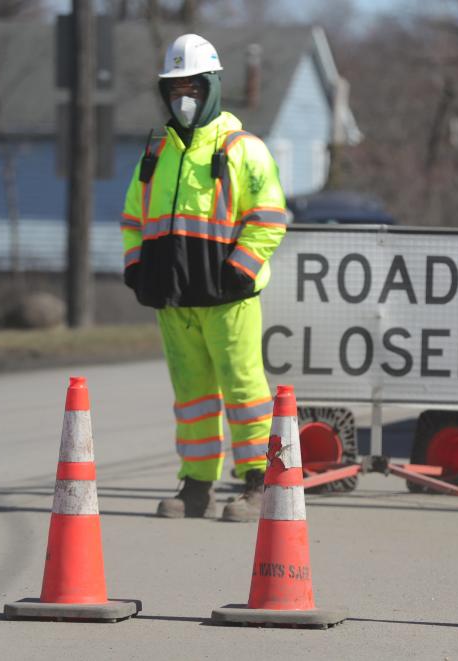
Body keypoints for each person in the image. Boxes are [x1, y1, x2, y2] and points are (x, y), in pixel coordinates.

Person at [120, 34, 288, 522]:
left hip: (227, 297)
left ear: (212, 87)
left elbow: (269, 216)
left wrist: (242, 268)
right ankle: (196, 487)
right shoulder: (156, 151)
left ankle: (259, 484)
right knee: (191, 396)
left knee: (244, 390)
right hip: (174, 299)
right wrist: (135, 265)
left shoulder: (244, 149)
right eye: (174, 89)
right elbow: (134, 217)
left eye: (192, 87)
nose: (183, 98)